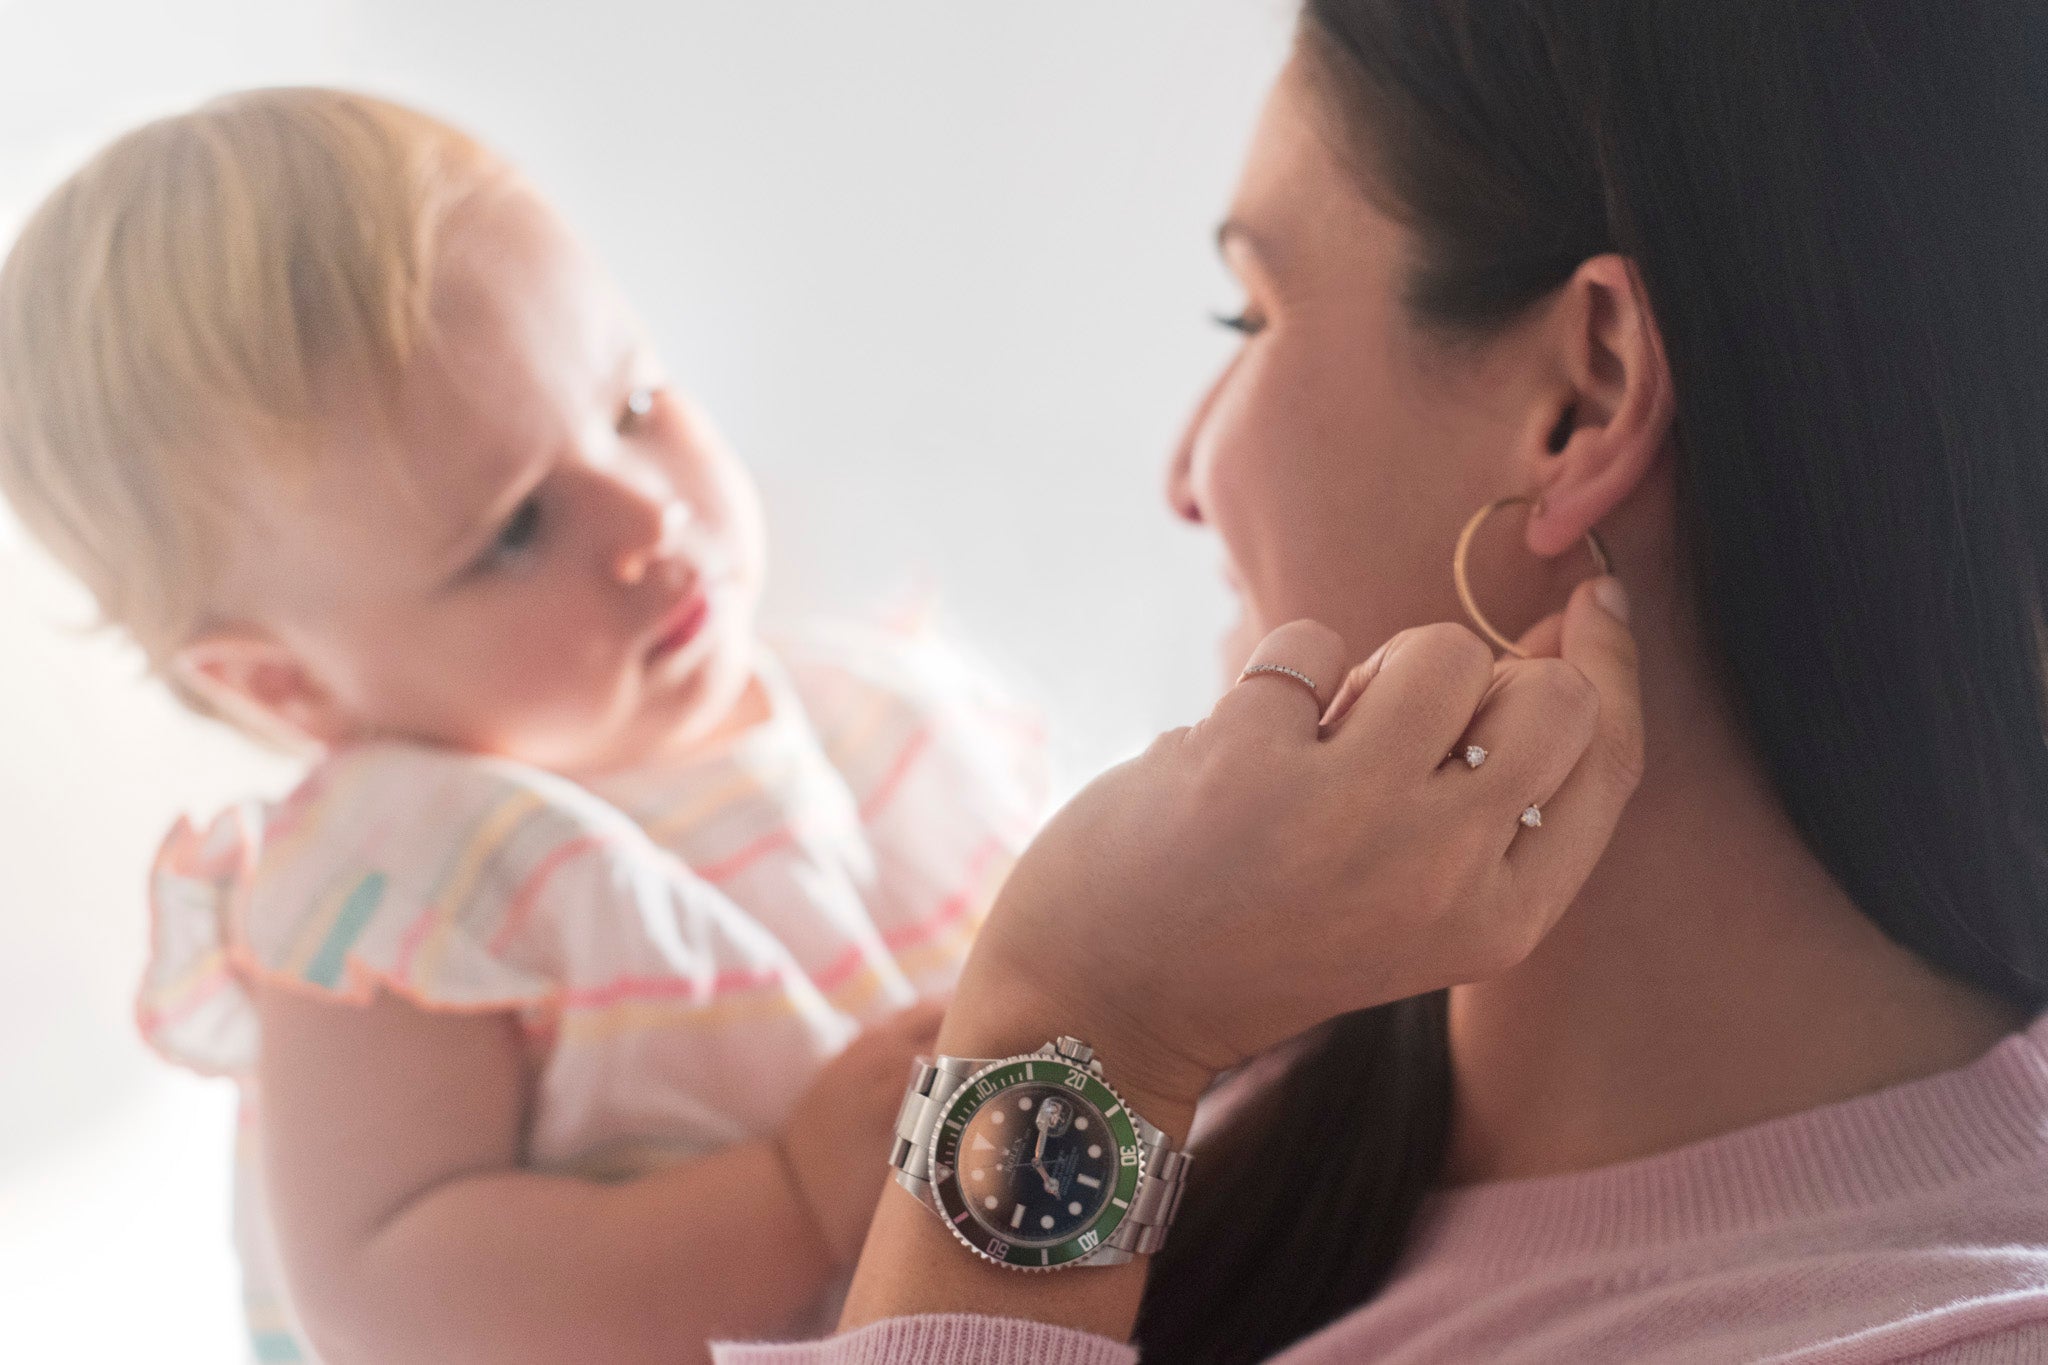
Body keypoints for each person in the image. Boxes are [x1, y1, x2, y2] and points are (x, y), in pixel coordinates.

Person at [715, 2, 2048, 1361]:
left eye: (1254, 312)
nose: (1184, 474)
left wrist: (1067, 1042)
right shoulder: (1255, 1044)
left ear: (1581, 398)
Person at [0, 90, 1050, 1363]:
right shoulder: (406, 895)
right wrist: (785, 1196)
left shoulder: (872, 721)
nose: (648, 516)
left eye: (632, 407)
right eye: (515, 529)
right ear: (290, 687)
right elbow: (395, 1304)